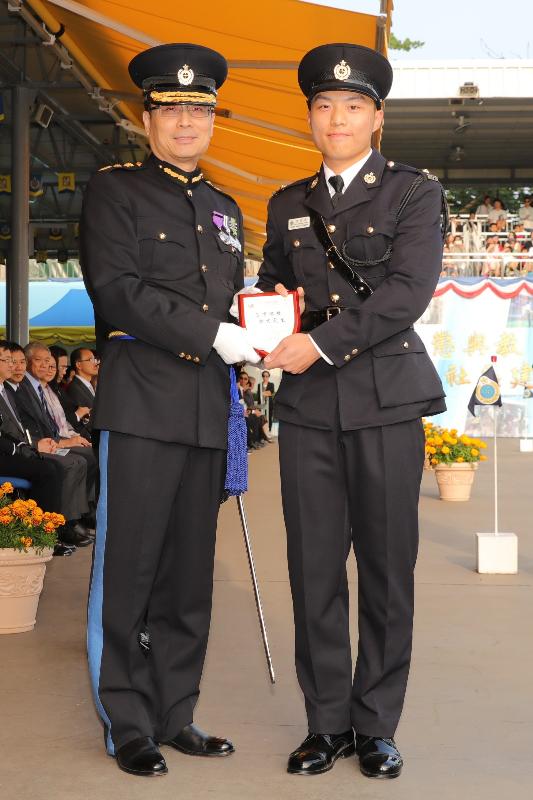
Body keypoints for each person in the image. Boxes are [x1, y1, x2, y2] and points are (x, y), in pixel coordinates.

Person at [257, 43, 447, 780]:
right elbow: (276, 290)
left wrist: (318, 345)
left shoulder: (410, 192)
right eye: (323, 106)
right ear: (309, 116)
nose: (336, 117)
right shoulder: (284, 204)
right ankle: (324, 723)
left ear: (376, 117)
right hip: (307, 411)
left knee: (386, 570)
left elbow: (406, 293)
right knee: (312, 572)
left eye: (352, 106)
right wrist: (261, 334)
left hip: (386, 402)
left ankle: (375, 725)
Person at [80, 43, 258, 777]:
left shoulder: (225, 209)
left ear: (212, 119)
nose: (186, 121)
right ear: (146, 117)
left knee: (189, 575)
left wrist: (257, 332)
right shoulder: (114, 190)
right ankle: (125, 719)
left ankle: (175, 710)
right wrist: (213, 334)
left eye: (199, 109)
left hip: (204, 410)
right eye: (171, 108)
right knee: (129, 568)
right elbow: (116, 291)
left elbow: (235, 305)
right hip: (142, 400)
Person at [0, 341, 93, 550]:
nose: (14, 366)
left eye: (17, 361)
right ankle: (48, 531)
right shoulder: (14, 389)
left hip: (21, 447)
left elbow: (13, 429)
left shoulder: (8, 390)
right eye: (7, 360)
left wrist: (26, 446)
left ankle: (67, 522)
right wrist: (25, 447)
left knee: (73, 460)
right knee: (53, 468)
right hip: (12, 451)